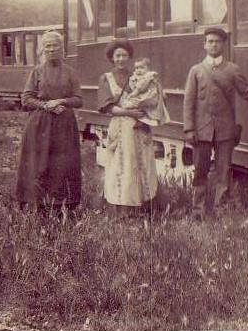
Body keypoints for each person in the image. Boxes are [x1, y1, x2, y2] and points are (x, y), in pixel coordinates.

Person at [184, 27, 248, 218]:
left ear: (223, 45)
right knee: (200, 171)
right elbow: (189, 101)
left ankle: (221, 209)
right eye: (210, 41)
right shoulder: (196, 71)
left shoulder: (232, 69)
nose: (213, 45)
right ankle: (198, 210)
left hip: (225, 130)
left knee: (223, 171)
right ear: (204, 45)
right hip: (201, 130)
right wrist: (189, 128)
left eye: (217, 41)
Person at [16, 31, 83, 213]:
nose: (52, 49)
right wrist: (46, 105)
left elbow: (78, 99)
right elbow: (26, 99)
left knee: (62, 165)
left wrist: (61, 101)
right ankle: (37, 204)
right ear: (42, 50)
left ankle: (63, 206)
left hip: (64, 126)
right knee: (40, 164)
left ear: (62, 49)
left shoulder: (71, 73)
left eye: (55, 45)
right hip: (40, 125)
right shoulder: (36, 72)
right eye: (48, 46)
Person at [97, 40, 160, 212]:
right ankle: (122, 209)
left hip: (140, 126)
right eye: (118, 55)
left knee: (142, 164)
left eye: (124, 55)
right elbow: (108, 107)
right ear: (112, 58)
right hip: (120, 127)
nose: (121, 59)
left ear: (129, 57)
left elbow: (152, 98)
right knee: (121, 165)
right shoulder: (106, 78)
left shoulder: (139, 76)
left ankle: (144, 207)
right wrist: (130, 113)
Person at [115, 57, 169, 129]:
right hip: (144, 95)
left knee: (135, 103)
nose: (138, 70)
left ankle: (141, 121)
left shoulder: (148, 77)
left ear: (148, 68)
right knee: (134, 105)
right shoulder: (136, 77)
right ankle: (140, 120)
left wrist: (133, 94)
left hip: (150, 96)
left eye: (141, 68)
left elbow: (140, 88)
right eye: (136, 68)